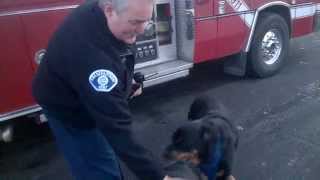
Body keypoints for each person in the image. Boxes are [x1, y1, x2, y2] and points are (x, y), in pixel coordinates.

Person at [32, 0, 170, 179]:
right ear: (110, 11)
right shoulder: (92, 58)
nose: (143, 29)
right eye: (136, 22)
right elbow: (117, 128)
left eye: (146, 20)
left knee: (106, 150)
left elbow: (118, 53)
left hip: (81, 88)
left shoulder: (104, 13)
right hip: (67, 106)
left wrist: (127, 84)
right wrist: (159, 176)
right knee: (98, 166)